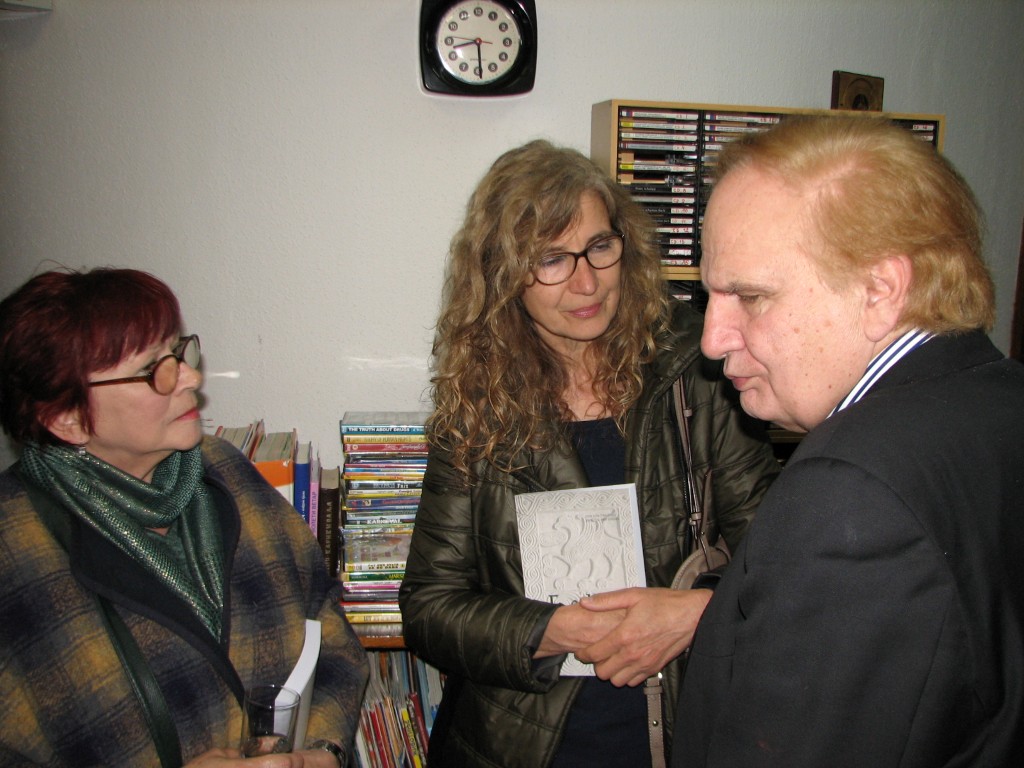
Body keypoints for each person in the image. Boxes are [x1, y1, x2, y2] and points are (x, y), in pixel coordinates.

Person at [398, 139, 780, 768]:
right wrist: (549, 630)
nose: (586, 282)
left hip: (681, 729)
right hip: (520, 746)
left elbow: (776, 561)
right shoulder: (479, 399)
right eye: (551, 259)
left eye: (600, 247)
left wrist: (697, 612)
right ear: (502, 274)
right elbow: (429, 607)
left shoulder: (699, 367)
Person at [674, 115, 1024, 766]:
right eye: (709, 295)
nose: (712, 339)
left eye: (750, 296)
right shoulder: (1001, 400)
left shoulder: (852, 490)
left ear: (880, 291)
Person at [0, 267, 368, 767]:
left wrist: (323, 749)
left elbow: (325, 622)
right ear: (67, 418)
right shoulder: (15, 548)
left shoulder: (225, 470)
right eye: (154, 369)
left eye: (178, 352)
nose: (191, 377)